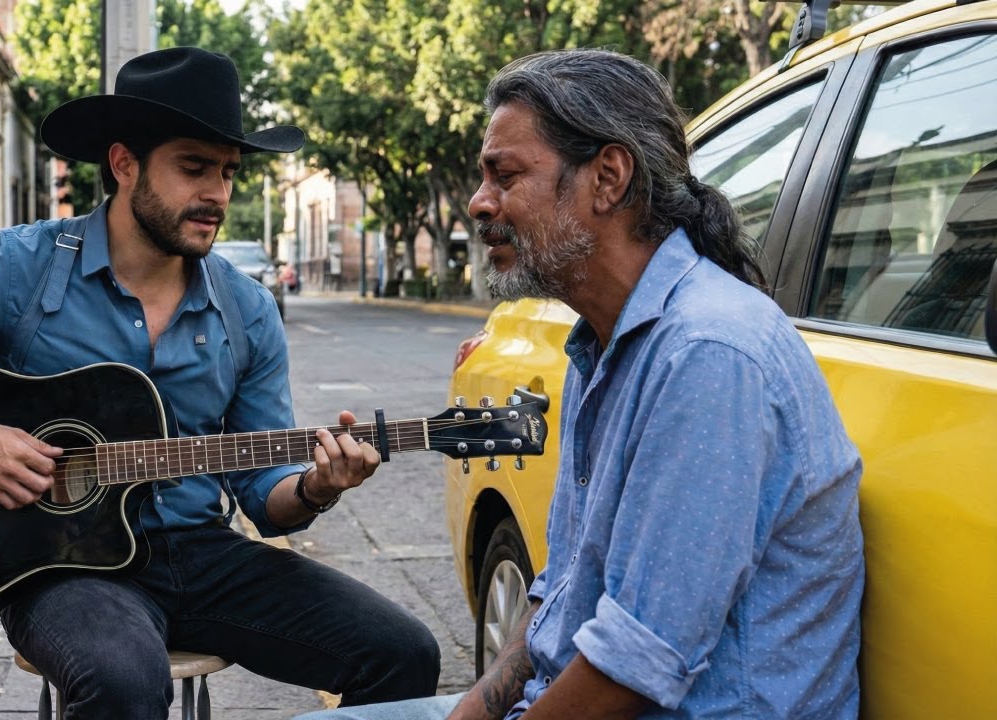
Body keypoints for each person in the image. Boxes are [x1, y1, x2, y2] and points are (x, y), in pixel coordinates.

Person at [0, 47, 439, 718]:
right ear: (124, 164)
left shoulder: (247, 310)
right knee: (123, 682)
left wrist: (315, 486)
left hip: (203, 554)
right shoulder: (25, 266)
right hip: (60, 567)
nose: (217, 194)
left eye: (227, 172)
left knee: (404, 652)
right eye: (193, 167)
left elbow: (261, 494)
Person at [297, 49, 864, 720]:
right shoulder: (601, 342)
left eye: (504, 175)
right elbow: (559, 594)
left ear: (608, 177)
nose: (479, 203)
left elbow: (633, 663)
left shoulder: (709, 353)